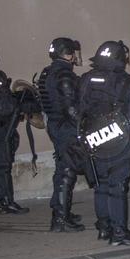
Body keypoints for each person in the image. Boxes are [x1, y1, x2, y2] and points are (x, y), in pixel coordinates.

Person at [77, 41, 130, 245]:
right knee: (117, 187)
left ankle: (104, 228)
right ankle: (119, 233)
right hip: (118, 141)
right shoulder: (127, 82)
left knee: (101, 186)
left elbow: (78, 111)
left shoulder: (86, 79)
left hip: (94, 139)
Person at [37, 37, 84, 230]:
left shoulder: (47, 72)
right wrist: (83, 126)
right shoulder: (64, 75)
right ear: (68, 53)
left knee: (62, 168)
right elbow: (70, 108)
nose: (75, 57)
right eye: (73, 53)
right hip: (66, 128)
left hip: (55, 125)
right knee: (67, 171)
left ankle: (61, 209)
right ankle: (60, 219)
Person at [0, 69, 29, 214]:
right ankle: (6, 201)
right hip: (0, 131)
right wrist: (18, 103)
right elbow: (4, 107)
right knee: (3, 167)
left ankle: (1, 200)